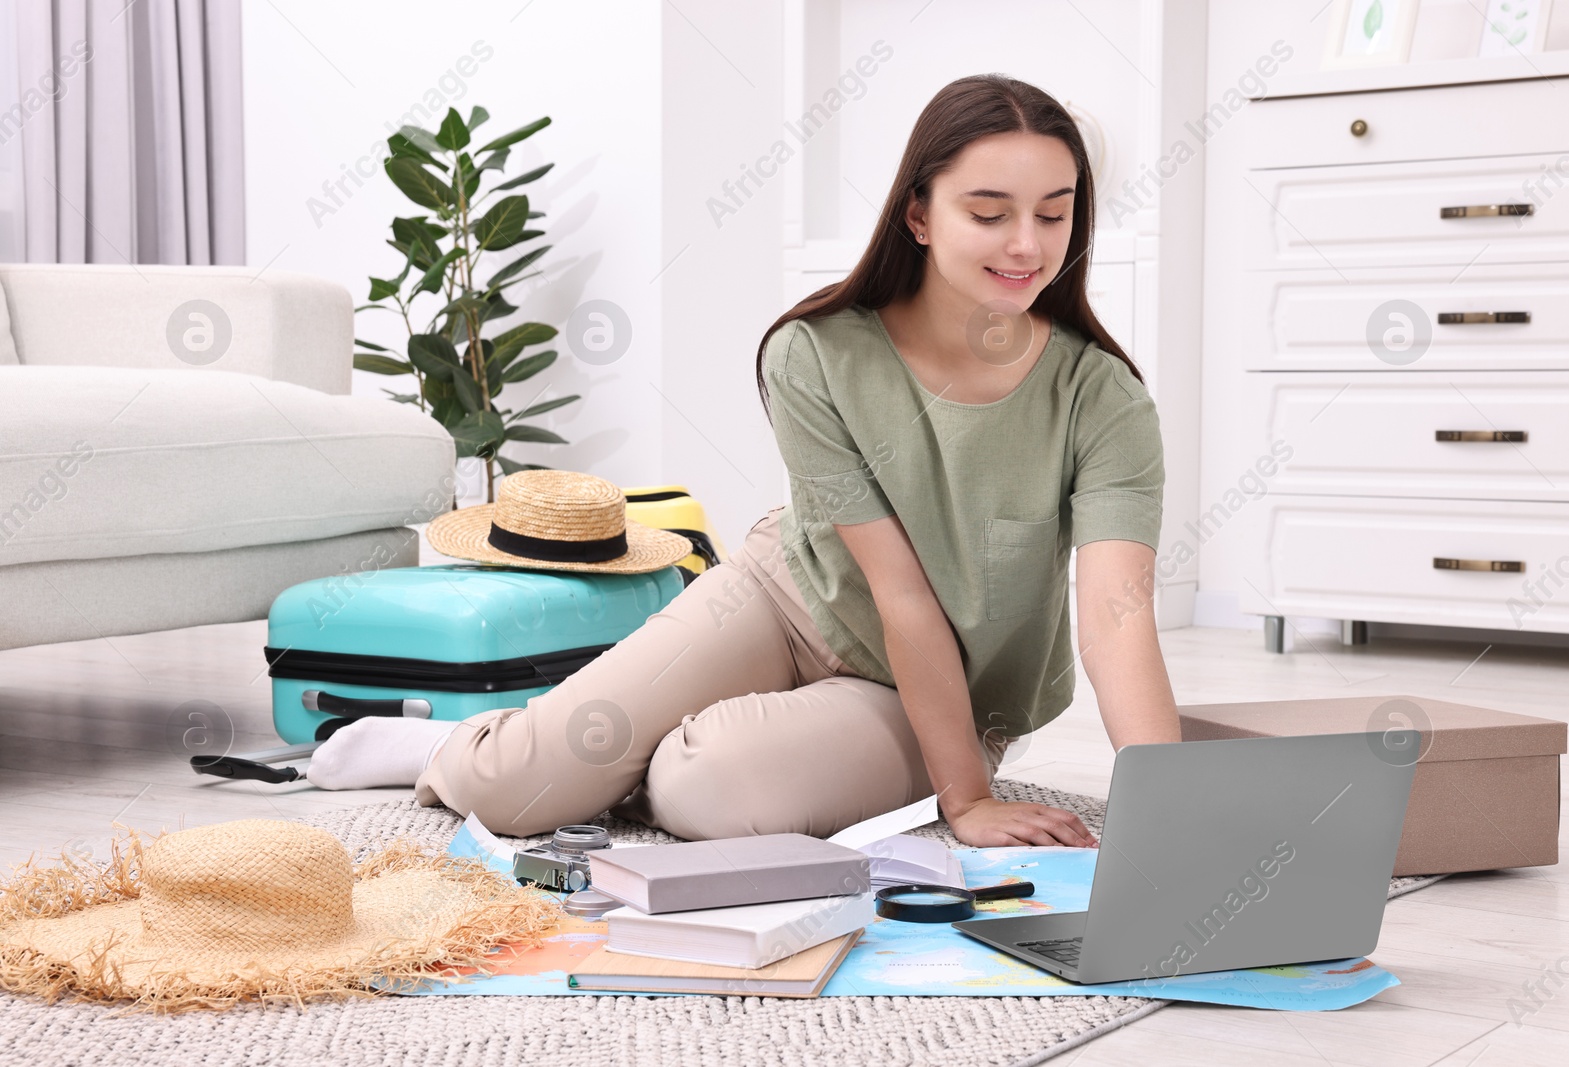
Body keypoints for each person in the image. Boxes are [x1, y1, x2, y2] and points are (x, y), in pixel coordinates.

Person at [306, 73, 1182, 848]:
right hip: (785, 596)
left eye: (1054, 213)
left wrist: (1158, 816)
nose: (1026, 244)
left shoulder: (1102, 400)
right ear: (918, 213)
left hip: (940, 686)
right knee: (515, 787)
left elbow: (1115, 618)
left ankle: (618, 762)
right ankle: (454, 747)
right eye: (990, 213)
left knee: (704, 786)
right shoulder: (814, 352)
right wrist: (961, 802)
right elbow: (898, 589)